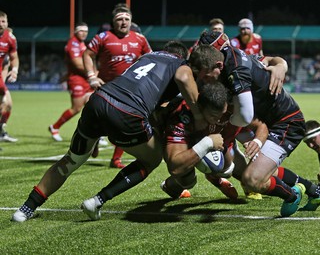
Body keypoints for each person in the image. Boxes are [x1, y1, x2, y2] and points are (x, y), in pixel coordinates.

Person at [11, 42, 224, 222]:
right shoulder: (180, 64)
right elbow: (184, 77)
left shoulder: (147, 57)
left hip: (98, 101)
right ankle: (98, 201)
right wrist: (197, 116)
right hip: (126, 112)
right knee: (152, 159)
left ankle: (26, 208)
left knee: (71, 161)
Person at [199, 31, 320, 217]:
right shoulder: (235, 56)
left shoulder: (236, 69)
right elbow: (269, 60)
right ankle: (314, 191)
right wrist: (280, 64)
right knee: (259, 169)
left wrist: (281, 65)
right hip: (268, 120)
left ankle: (292, 195)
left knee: (252, 179)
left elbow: (245, 116)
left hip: (286, 123)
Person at [83, 3, 152, 168]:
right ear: (113, 22)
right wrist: (92, 76)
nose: (123, 22)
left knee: (124, 122)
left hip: (129, 89)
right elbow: (87, 54)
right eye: (119, 19)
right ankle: (95, 140)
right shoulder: (103, 37)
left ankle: (116, 159)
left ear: (131, 21)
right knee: (96, 118)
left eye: (127, 19)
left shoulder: (140, 39)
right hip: (105, 86)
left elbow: (151, 59)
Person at [159, 81, 241, 200]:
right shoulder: (183, 115)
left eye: (221, 114)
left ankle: (214, 178)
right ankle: (169, 186)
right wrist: (207, 143)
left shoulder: (229, 108)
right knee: (187, 180)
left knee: (227, 170)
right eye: (213, 116)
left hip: (208, 137)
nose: (218, 120)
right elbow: (175, 166)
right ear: (200, 109)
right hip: (183, 143)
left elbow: (255, 123)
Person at [48, 22, 92, 142]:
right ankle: (54, 127)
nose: (84, 33)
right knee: (76, 108)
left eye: (86, 31)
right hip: (76, 79)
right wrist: (92, 73)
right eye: (81, 31)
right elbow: (78, 65)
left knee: (93, 106)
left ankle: (97, 135)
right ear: (76, 31)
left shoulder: (81, 43)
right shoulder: (73, 43)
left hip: (85, 78)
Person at [0, 12, 19, 142]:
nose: (1, 24)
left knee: (8, 105)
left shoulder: (10, 38)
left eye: (3, 21)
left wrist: (15, 70)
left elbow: (14, 57)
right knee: (5, 103)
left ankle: (1, 131)